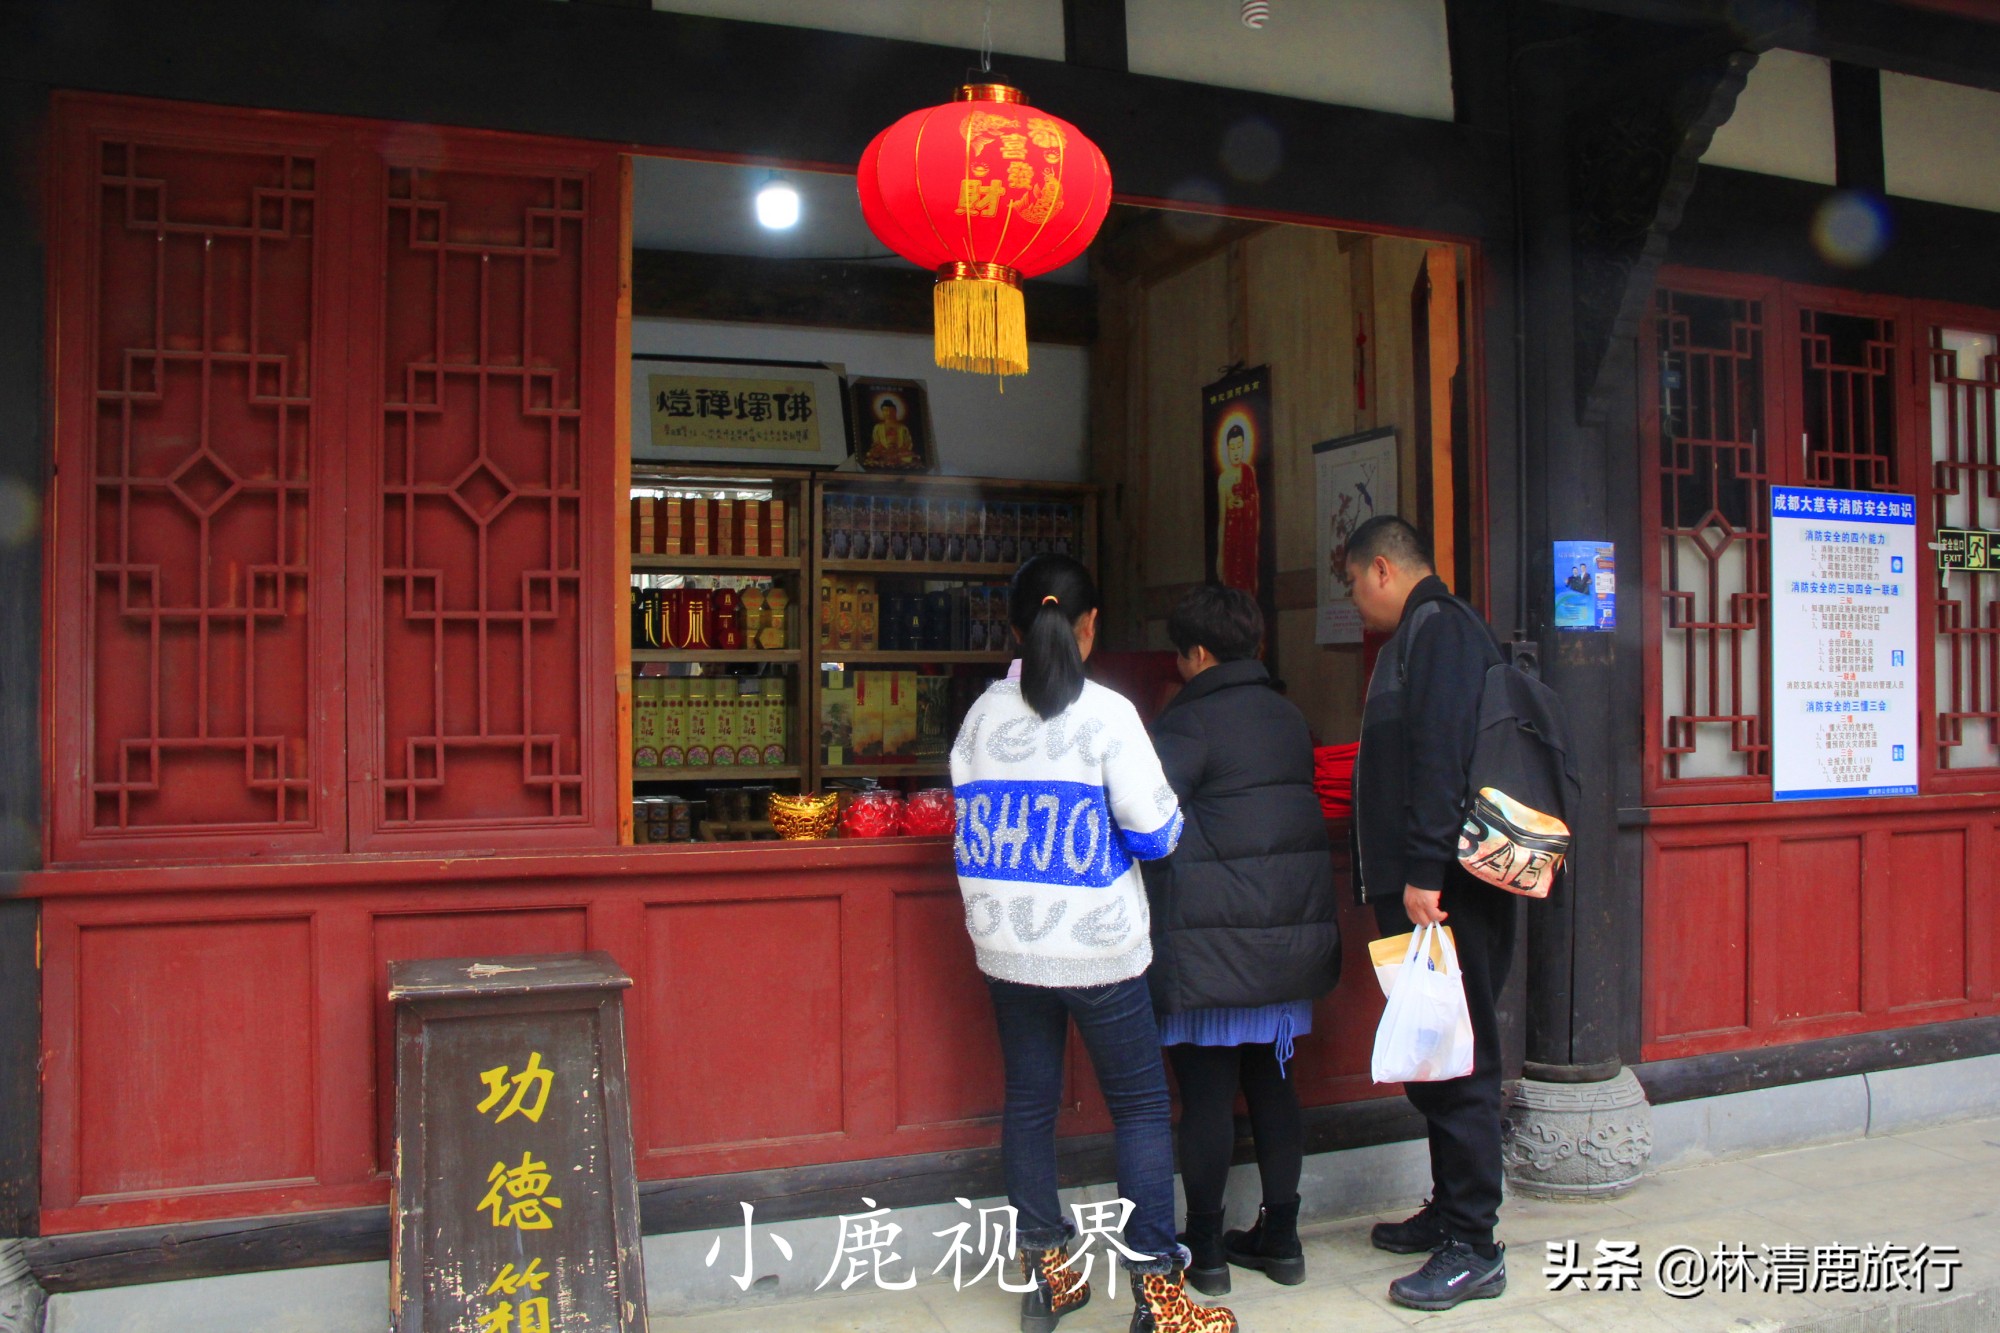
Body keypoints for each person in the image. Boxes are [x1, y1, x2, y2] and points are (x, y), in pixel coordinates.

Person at [950, 554, 1237, 1333]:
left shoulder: (980, 716)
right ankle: (1158, 1298)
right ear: (1090, 626)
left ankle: (1051, 1279)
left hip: (1008, 945)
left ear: (1014, 626)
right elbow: (1153, 833)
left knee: (1029, 1101)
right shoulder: (1108, 713)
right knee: (1142, 1106)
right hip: (1100, 946)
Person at [1142, 586, 1339, 1297]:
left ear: (1195, 654)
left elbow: (1146, 817)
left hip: (1212, 946)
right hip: (1284, 942)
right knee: (1275, 1085)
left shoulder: (1185, 723)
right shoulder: (1287, 716)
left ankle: (1207, 1247)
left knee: (1206, 1098)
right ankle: (1282, 1238)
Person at [1343, 515, 1514, 1312]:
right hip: (1426, 885)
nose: (1353, 599)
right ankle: (1451, 1210)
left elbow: (1442, 755)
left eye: (1352, 582)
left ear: (1382, 568)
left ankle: (1473, 1244)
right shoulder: (1422, 630)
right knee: (1434, 1053)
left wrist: (1420, 870)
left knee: (1462, 1058)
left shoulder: (1439, 629)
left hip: (1442, 892)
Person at [1216, 423, 1260, 596]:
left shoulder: (1249, 472)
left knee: (1247, 589)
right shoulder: (1224, 479)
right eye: (1232, 447)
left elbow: (1254, 502)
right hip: (1231, 543)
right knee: (1232, 590)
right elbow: (1222, 520)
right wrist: (1220, 555)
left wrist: (1244, 505)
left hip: (1246, 541)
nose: (1235, 451)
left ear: (1243, 447)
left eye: (1239, 446)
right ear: (1227, 449)